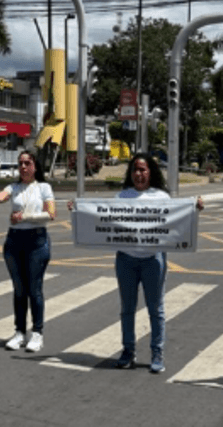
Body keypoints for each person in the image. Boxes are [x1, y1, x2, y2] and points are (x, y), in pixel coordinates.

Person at [69, 153, 203, 373]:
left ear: (151, 172)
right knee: (127, 309)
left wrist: (194, 208)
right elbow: (102, 218)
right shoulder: (122, 196)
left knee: (156, 309)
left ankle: (157, 352)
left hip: (153, 260)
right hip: (126, 260)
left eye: (143, 170)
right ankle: (128, 351)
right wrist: (78, 211)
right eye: (135, 170)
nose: (139, 174)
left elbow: (176, 219)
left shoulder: (161, 196)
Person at [0, 151, 55, 353]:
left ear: (35, 166)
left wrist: (25, 217)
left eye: (27, 163)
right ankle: (19, 332)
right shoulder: (13, 187)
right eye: (20, 163)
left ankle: (37, 333)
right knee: (19, 289)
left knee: (35, 289)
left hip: (37, 241)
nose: (23, 167)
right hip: (14, 241)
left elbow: (50, 214)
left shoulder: (44, 187)